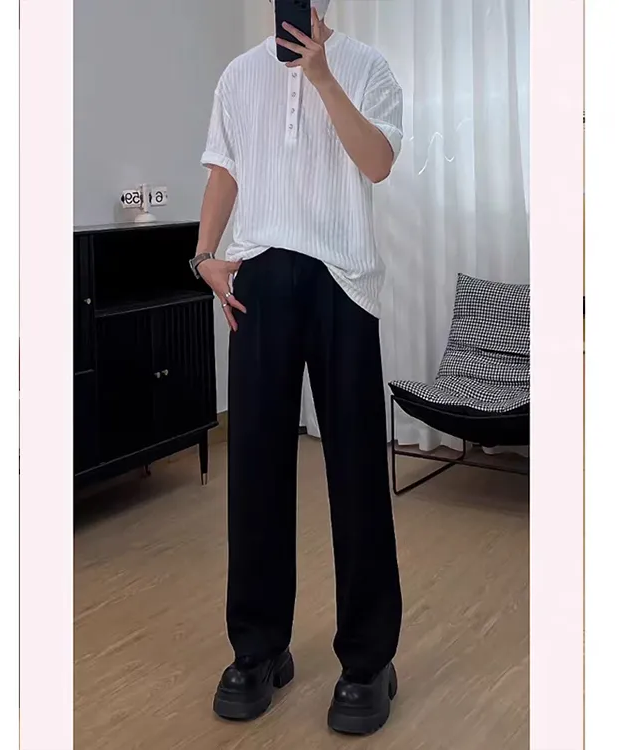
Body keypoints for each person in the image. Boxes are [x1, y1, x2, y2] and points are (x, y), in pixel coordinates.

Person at [190, 0, 403, 736]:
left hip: (344, 282)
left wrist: (322, 77)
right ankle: (257, 650)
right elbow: (224, 172)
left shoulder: (368, 67)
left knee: (357, 471)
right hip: (258, 278)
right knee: (254, 469)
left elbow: (377, 163)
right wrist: (204, 256)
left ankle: (369, 662)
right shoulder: (237, 76)